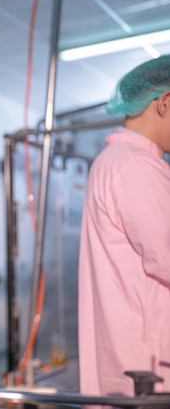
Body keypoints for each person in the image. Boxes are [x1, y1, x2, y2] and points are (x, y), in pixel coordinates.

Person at [78, 55, 170, 399]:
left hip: (134, 362)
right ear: (165, 103)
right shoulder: (136, 167)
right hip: (150, 368)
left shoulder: (117, 163)